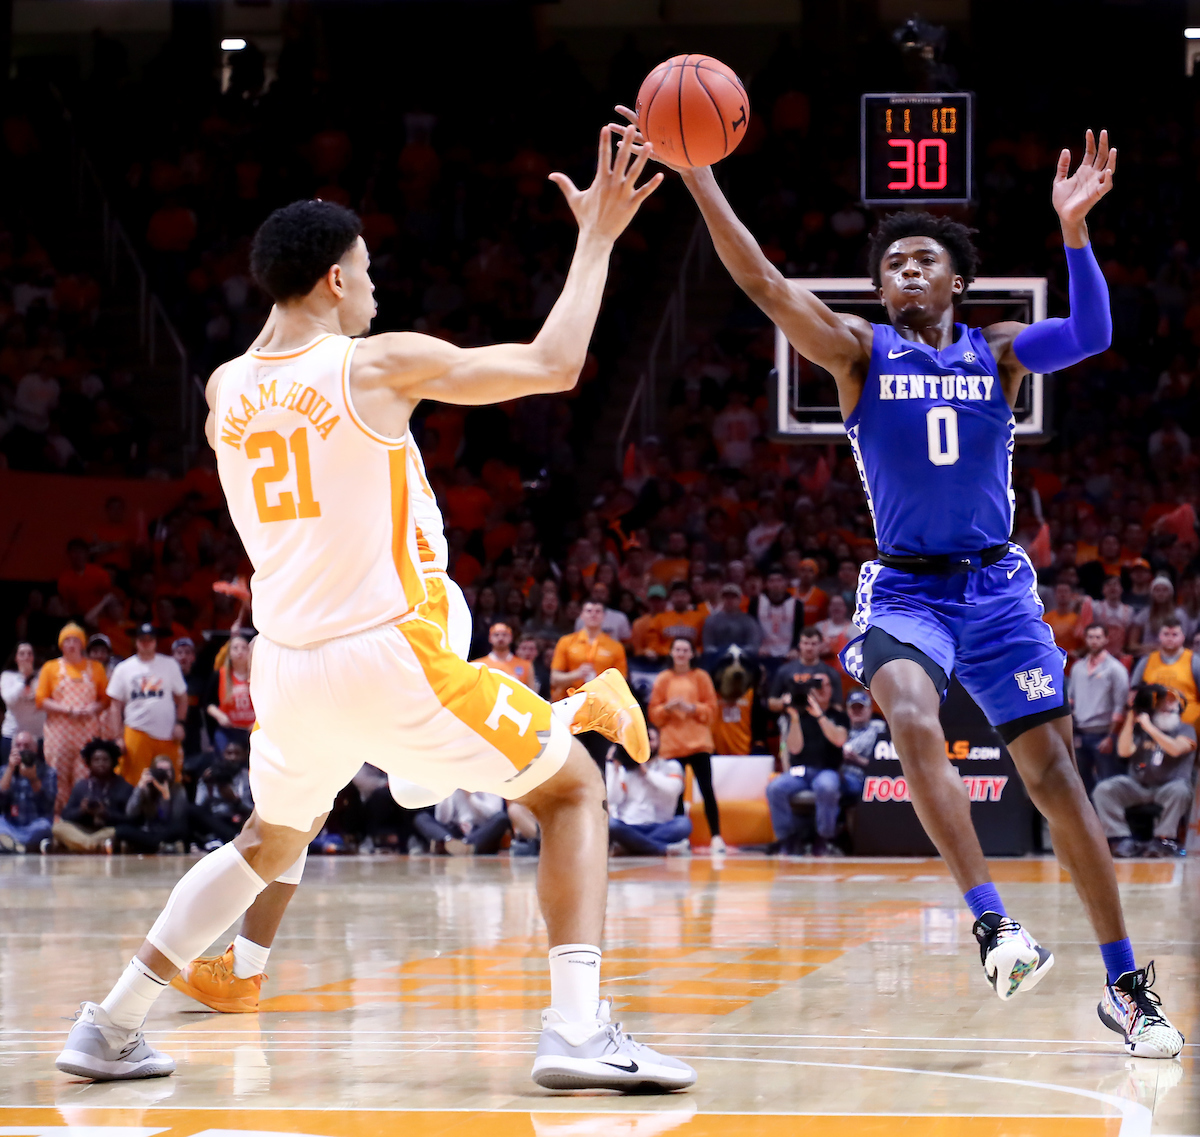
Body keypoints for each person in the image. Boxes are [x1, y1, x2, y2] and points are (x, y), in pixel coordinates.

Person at [57, 128, 695, 1091]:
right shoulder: (372, 364)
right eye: (365, 272)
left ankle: (112, 1024)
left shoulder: (223, 389)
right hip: (386, 653)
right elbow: (556, 362)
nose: (374, 288)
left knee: (266, 841)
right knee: (570, 792)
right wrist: (597, 237)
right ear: (329, 283)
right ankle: (576, 1031)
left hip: (285, 662)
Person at [627, 106, 1180, 1055]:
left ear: (957, 283)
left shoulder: (999, 351)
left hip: (998, 590)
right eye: (893, 265)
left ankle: (1127, 984)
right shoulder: (856, 351)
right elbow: (760, 281)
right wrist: (696, 171)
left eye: (924, 261)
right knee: (912, 715)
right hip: (908, 590)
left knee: (1058, 782)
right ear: (879, 289)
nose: (906, 273)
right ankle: (993, 924)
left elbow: (1091, 332)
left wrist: (1076, 229)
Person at [1097, 685, 1195, 857]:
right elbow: (1124, 751)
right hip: (1138, 785)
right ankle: (1120, 838)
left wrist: (1149, 727)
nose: (1167, 707)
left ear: (1180, 708)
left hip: (1169, 787)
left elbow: (1175, 749)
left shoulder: (1186, 729)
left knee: (1180, 790)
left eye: (1172, 705)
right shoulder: (1140, 728)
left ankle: (1162, 840)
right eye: (1163, 703)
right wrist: (1131, 715)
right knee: (1105, 789)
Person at [648, 638, 722, 852]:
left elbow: (711, 712)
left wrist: (691, 708)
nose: (681, 653)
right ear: (671, 653)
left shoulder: (701, 677)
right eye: (677, 650)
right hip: (672, 746)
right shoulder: (663, 679)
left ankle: (716, 836)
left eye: (685, 650)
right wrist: (668, 708)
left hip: (699, 744)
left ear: (692, 654)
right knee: (675, 794)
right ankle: (680, 838)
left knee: (707, 790)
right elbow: (654, 714)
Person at [766, 672, 851, 855]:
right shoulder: (798, 714)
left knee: (826, 786)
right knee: (774, 788)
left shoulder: (839, 715)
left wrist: (819, 716)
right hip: (800, 772)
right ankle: (788, 839)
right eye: (816, 685)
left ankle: (824, 838)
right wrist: (794, 718)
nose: (821, 689)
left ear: (831, 690)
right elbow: (794, 749)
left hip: (827, 770)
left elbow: (839, 740)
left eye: (824, 685)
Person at [36, 623, 110, 816]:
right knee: (57, 777)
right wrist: (67, 710)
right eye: (67, 640)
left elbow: (105, 699)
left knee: (84, 778)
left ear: (82, 644)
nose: (71, 644)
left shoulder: (96, 668)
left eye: (75, 640)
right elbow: (40, 700)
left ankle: (81, 819)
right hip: (59, 734)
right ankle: (59, 823)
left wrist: (92, 708)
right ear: (61, 644)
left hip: (87, 733)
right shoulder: (50, 667)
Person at [106, 623, 189, 787]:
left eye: (150, 639)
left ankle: (167, 812)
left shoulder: (170, 664)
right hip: (136, 732)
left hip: (167, 735)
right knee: (134, 782)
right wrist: (117, 737)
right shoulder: (123, 668)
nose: (146, 642)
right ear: (136, 641)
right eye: (142, 639)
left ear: (155, 641)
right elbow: (115, 706)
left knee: (171, 782)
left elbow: (183, 698)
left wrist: (180, 724)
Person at [1068, 624, 1131, 796]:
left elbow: (1121, 705)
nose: (1094, 641)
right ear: (1085, 639)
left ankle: (1106, 822)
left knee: (1108, 784)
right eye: (1091, 637)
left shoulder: (1116, 669)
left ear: (1106, 639)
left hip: (1104, 734)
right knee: (1081, 784)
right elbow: (1070, 700)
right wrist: (1071, 732)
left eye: (1098, 637)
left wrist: (1111, 737)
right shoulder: (1077, 668)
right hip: (1080, 733)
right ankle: (1087, 821)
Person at [606, 737, 691, 856]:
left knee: (683, 824)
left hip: (660, 825)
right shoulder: (623, 768)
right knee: (611, 824)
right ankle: (661, 849)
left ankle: (630, 846)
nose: (647, 744)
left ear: (660, 741)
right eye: (644, 740)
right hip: (630, 825)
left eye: (651, 739)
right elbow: (613, 799)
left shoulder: (671, 766)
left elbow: (673, 789)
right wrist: (613, 767)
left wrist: (645, 772)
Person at [52, 739, 131, 853]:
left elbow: (130, 820)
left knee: (119, 832)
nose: (101, 763)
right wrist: (81, 810)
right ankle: (92, 845)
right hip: (83, 830)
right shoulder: (81, 785)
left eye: (105, 760)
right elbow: (66, 815)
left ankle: (84, 845)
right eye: (96, 760)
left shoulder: (124, 787)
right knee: (57, 828)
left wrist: (106, 813)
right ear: (89, 762)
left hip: (107, 830)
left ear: (113, 761)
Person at [550, 599, 628, 702]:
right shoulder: (566, 642)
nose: (593, 614)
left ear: (604, 616)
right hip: (570, 700)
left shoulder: (616, 647)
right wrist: (576, 674)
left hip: (602, 702)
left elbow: (621, 682)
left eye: (597, 611)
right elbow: (554, 679)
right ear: (581, 615)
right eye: (589, 611)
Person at [1129, 619, 1200, 730]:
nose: (1170, 638)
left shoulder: (1194, 661)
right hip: (1152, 725)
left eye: (1175, 634)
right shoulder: (1146, 661)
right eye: (1166, 634)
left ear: (1183, 637)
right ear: (1159, 637)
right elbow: (1133, 694)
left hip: (1187, 727)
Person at [113, 755, 189, 855]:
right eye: (160, 770)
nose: (164, 774)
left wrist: (165, 797)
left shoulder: (178, 789)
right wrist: (139, 788)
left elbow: (175, 818)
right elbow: (130, 813)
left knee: (182, 828)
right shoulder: (146, 788)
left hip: (167, 831)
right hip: (148, 831)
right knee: (121, 830)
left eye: (167, 771)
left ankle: (153, 845)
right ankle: (159, 845)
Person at [0, 730, 57, 854]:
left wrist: (34, 779)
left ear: (35, 749)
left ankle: (13, 844)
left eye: (26, 746)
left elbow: (47, 805)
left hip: (35, 825)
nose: (22, 750)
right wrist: (10, 769)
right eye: (18, 745)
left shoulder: (48, 772)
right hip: (11, 825)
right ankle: (23, 846)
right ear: (12, 749)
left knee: (45, 827)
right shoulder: (4, 770)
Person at [767, 628, 843, 714]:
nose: (809, 648)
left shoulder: (831, 673)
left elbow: (838, 706)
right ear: (799, 644)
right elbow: (771, 703)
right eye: (805, 643)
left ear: (820, 645)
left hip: (820, 719)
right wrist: (784, 702)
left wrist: (823, 702)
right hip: (791, 718)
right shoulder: (784, 671)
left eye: (813, 644)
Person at [205, 630, 256, 755]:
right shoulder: (220, 675)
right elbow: (208, 703)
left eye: (244, 648)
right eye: (235, 648)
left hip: (252, 731)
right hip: (228, 731)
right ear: (229, 653)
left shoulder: (258, 675)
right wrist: (220, 716)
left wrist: (258, 721)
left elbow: (269, 703)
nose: (239, 651)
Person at [1, 642, 45, 762]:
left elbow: (44, 701)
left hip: (39, 735)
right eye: (22, 654)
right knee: (9, 775)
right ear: (16, 658)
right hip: (12, 735)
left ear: (33, 657)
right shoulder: (7, 676)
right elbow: (10, 700)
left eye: (29, 654)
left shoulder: (42, 675)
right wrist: (23, 679)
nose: (26, 657)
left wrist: (33, 679)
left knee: (38, 775)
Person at [701, 583, 763, 666]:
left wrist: (736, 653)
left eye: (733, 597)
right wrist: (723, 653)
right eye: (726, 597)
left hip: (743, 661)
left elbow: (753, 646)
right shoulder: (711, 621)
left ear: (740, 599)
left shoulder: (749, 621)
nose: (729, 600)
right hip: (717, 661)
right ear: (721, 599)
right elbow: (708, 646)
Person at [756, 567, 801, 663]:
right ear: (766, 584)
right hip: (764, 653)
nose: (776, 585)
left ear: (786, 583)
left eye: (779, 580)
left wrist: (795, 648)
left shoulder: (796, 604)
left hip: (789, 655)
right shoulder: (756, 602)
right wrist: (757, 646)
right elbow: (752, 628)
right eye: (771, 581)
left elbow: (799, 630)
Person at [473, 622, 534, 688]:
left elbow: (531, 692)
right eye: (496, 635)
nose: (500, 638)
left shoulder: (525, 666)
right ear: (490, 638)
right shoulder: (478, 665)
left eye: (504, 635)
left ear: (511, 638)